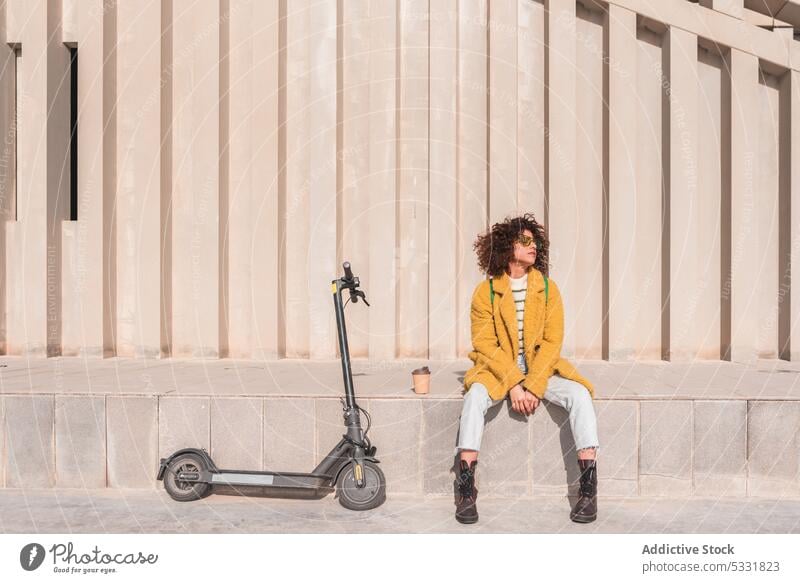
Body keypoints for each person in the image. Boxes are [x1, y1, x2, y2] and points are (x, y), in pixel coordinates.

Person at [454, 213, 599, 524]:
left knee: (580, 395)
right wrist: (513, 383)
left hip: (540, 370)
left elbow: (552, 342)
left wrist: (532, 385)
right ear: (509, 247)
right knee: (475, 397)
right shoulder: (486, 292)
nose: (532, 246)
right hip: (498, 368)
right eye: (525, 241)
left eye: (535, 242)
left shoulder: (547, 289)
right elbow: (485, 345)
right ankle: (466, 488)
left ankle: (588, 488)